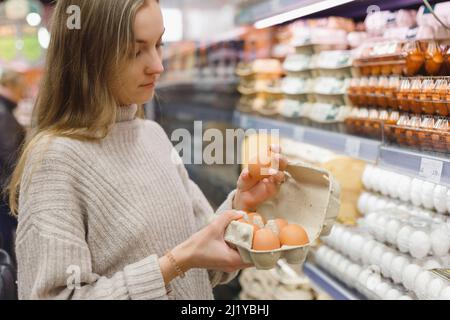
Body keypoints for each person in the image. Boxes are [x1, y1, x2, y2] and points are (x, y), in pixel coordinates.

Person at [8, 0, 287, 300]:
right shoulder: (56, 159)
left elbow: (203, 264)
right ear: (89, 55)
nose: (157, 65)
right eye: (135, 50)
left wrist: (241, 205)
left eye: (159, 44)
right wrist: (174, 264)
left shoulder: (152, 135)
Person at [0, 69, 26, 260]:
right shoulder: (3, 113)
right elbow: (11, 160)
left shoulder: (5, 110)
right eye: (20, 88)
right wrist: (20, 196)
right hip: (4, 194)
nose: (22, 93)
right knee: (7, 246)